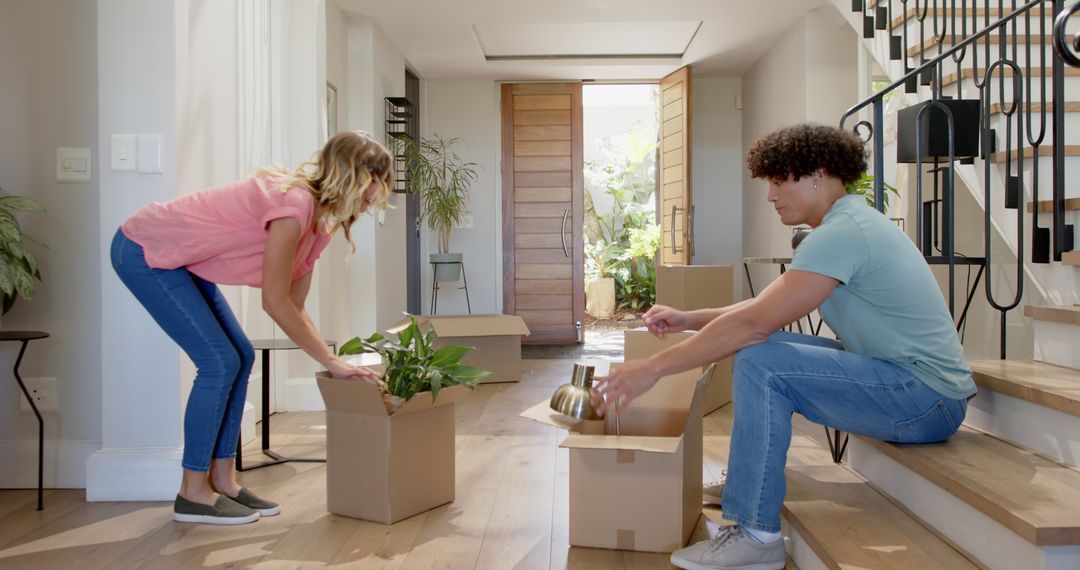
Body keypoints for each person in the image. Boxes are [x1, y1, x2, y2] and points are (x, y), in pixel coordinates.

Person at [590, 124, 976, 570]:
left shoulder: (842, 233)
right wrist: (688, 319)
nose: (771, 196)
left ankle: (756, 535)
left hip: (925, 399)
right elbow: (764, 308)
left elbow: (753, 323)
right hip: (908, 384)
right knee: (764, 347)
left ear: (818, 174)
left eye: (778, 182)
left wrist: (652, 368)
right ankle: (749, 485)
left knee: (761, 359)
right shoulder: (847, 225)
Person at [112, 131, 392, 525]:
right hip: (144, 249)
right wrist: (332, 362)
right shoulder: (295, 206)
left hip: (179, 261)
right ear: (356, 177)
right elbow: (274, 301)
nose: (376, 197)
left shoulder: (320, 225)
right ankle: (192, 492)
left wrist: (334, 362)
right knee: (219, 362)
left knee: (240, 356)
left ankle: (223, 481)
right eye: (377, 183)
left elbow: (294, 305)